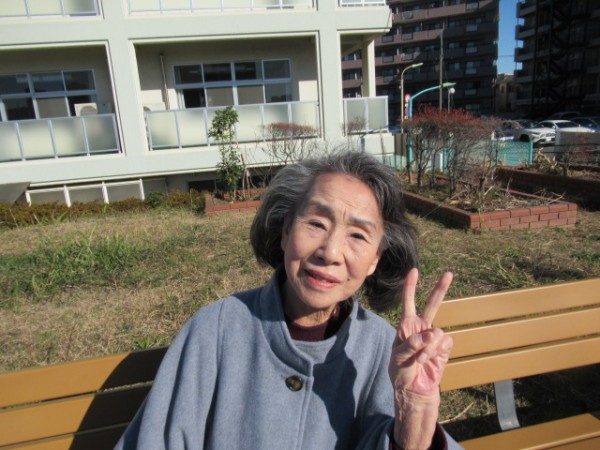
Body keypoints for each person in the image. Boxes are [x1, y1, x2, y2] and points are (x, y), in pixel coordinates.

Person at [115, 152, 462, 450]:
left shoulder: (385, 349)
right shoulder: (215, 331)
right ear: (284, 232)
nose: (330, 252)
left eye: (357, 235)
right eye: (316, 223)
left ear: (375, 260)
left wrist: (415, 407)